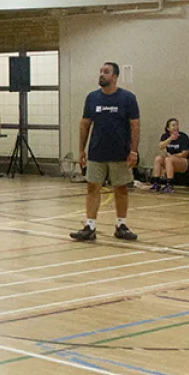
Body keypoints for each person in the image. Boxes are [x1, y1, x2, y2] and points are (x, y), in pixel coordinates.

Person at [71, 62, 140, 242]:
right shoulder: (92, 98)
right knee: (92, 187)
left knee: (121, 188)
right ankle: (90, 227)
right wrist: (81, 150)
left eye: (106, 72)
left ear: (115, 77)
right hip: (96, 151)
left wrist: (133, 151)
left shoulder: (127, 98)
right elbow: (85, 124)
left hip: (120, 152)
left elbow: (135, 125)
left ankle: (121, 225)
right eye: (101, 71)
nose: (102, 74)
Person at [149, 118, 189, 193]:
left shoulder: (183, 137)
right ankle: (156, 183)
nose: (176, 127)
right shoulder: (165, 136)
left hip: (184, 162)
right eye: (173, 125)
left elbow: (185, 154)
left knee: (169, 159)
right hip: (170, 161)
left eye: (177, 125)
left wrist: (172, 157)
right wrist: (170, 139)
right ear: (168, 128)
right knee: (158, 158)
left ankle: (169, 185)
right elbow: (161, 146)